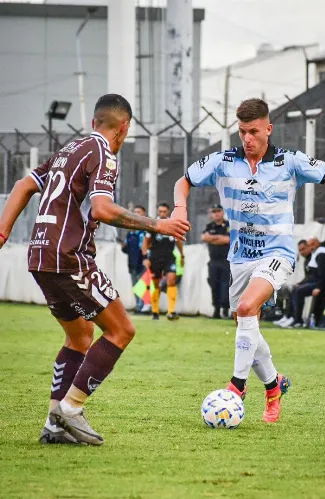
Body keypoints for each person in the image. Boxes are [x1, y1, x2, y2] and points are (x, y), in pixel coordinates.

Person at [172, 97, 325, 423]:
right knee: (247, 326)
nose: (247, 139)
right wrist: (180, 208)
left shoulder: (290, 161)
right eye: (242, 132)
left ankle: (237, 386)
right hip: (239, 258)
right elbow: (182, 181)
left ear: (268, 129)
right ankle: (274, 385)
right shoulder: (223, 160)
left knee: (246, 310)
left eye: (253, 131)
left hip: (277, 254)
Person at [0, 94, 189, 445]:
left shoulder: (71, 149)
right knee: (121, 330)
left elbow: (23, 185)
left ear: (94, 122)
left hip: (40, 255)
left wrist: (2, 232)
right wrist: (157, 225)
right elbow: (102, 209)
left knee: (80, 336)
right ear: (125, 128)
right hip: (69, 255)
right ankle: (71, 408)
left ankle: (55, 426)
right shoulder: (103, 152)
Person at [142, 202, 185, 321]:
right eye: (160, 211)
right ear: (157, 212)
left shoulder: (173, 225)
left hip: (169, 257)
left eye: (164, 211)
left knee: (171, 280)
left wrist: (182, 256)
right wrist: (145, 258)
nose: (162, 214)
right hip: (155, 258)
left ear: (168, 212)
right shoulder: (153, 225)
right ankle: (155, 311)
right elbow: (145, 243)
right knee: (155, 284)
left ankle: (171, 311)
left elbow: (179, 242)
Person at [202, 204, 231, 319]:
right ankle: (216, 310)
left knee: (226, 286)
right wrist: (220, 239)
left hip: (226, 262)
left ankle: (225, 310)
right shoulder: (210, 226)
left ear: (223, 212)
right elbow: (204, 237)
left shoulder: (229, 225)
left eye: (218, 211)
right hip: (213, 261)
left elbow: (228, 239)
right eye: (214, 211)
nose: (216, 213)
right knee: (214, 285)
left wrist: (212, 238)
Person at [274, 239, 312, 326]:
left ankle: (296, 318)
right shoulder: (306, 260)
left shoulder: (312, 258)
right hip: (310, 282)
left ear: (308, 247)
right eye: (300, 250)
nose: (302, 252)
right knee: (292, 289)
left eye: (303, 249)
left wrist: (301, 283)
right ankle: (288, 316)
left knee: (297, 290)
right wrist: (300, 282)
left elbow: (313, 276)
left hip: (316, 284)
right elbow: (308, 276)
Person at [121, 204, 147, 313]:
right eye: (135, 212)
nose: (136, 214)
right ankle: (138, 306)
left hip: (142, 262)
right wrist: (123, 247)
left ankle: (144, 306)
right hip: (132, 263)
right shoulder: (130, 232)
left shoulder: (145, 230)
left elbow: (146, 247)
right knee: (135, 285)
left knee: (142, 286)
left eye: (139, 212)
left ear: (143, 214)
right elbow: (126, 249)